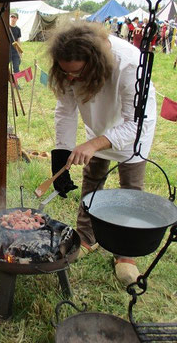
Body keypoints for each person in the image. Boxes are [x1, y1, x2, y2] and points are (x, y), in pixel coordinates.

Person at [47, 22, 157, 286]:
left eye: (76, 73)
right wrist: (62, 152)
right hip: (98, 124)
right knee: (92, 180)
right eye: (65, 73)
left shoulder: (130, 65)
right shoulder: (69, 68)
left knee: (130, 189)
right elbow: (66, 110)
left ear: (94, 63)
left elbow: (135, 123)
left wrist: (96, 143)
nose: (70, 78)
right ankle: (86, 237)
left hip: (132, 131)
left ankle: (125, 254)